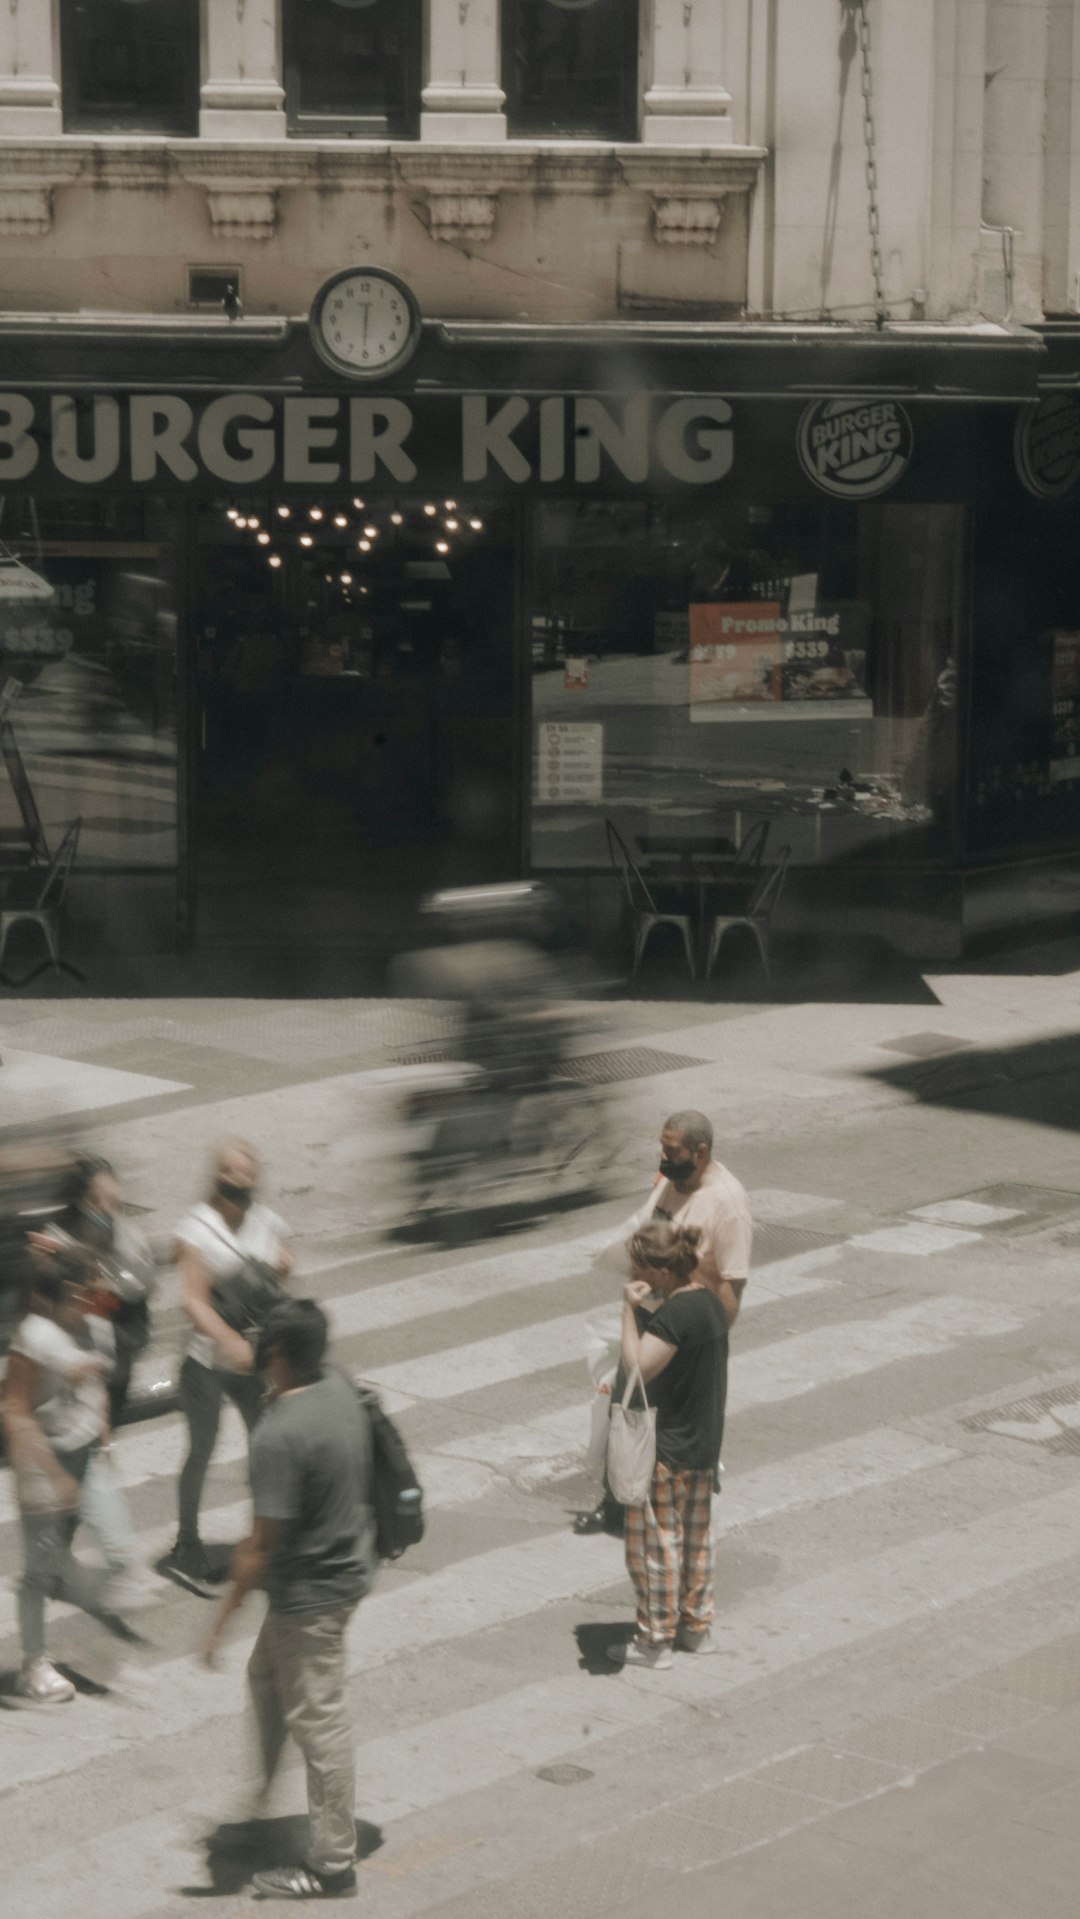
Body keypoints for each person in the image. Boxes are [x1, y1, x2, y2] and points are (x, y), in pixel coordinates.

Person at [202, 1298, 376, 1902]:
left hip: (312, 1595)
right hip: (340, 1567)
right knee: (267, 1683)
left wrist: (217, 1625)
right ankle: (259, 1810)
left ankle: (332, 1867)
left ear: (275, 1354)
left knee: (320, 1724)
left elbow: (258, 1545)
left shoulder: (279, 1435)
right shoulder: (335, 1382)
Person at [576, 1108, 751, 1535]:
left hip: (686, 1328)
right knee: (626, 1408)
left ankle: (673, 1510)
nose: (664, 1158)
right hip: (649, 1314)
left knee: (675, 1425)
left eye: (672, 1152)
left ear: (701, 1151)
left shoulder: (727, 1204)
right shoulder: (672, 1186)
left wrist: (710, 1341)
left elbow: (732, 1285)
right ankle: (616, 1503)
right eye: (662, 1148)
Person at [0, 1247, 143, 1704]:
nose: (104, 1293)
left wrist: (105, 1441)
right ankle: (33, 1665)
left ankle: (63, 1579)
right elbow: (14, 1408)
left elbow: (94, 1389)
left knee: (121, 1557)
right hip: (46, 1463)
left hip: (88, 1458)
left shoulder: (95, 1325)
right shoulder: (35, 1337)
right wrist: (44, 1476)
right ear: (68, 1293)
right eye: (92, 1286)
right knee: (39, 1575)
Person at [166, 1140, 292, 1596]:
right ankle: (186, 1541)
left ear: (255, 1176)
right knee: (201, 1450)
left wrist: (281, 1268)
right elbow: (192, 1300)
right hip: (206, 1363)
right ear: (216, 1176)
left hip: (254, 1360)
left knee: (267, 1451)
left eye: (244, 1172)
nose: (236, 1179)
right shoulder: (197, 1228)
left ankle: (266, 1543)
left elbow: (278, 1274)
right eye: (227, 1171)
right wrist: (228, 1340)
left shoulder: (266, 1220)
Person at [606, 1221, 728, 1671]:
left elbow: (641, 1365)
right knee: (697, 1542)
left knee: (655, 1547)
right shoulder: (708, 1305)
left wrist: (627, 1311)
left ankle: (654, 1641)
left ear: (658, 1270)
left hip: (667, 1450)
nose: (633, 1272)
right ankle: (696, 1630)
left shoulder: (677, 1316)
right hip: (703, 1444)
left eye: (638, 1265)